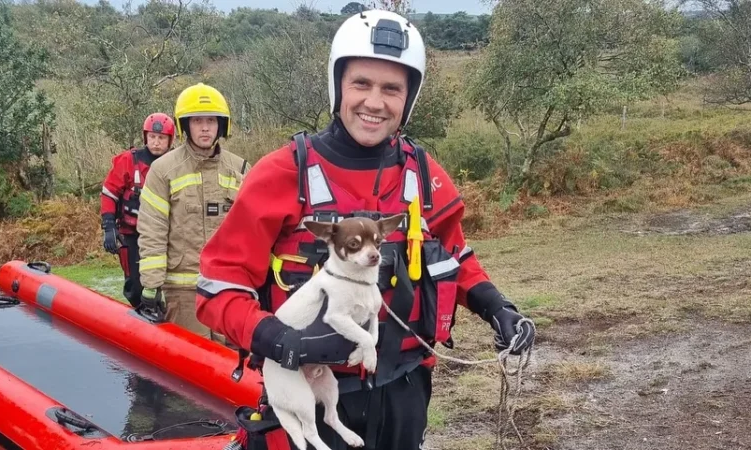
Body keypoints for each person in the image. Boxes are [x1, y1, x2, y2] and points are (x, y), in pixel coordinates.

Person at [196, 10, 536, 450]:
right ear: (338, 85)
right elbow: (217, 287)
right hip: (310, 387)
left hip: (405, 388)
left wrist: (498, 308)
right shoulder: (281, 174)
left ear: (408, 99)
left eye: (391, 89)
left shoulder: (423, 176)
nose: (374, 102)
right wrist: (273, 337)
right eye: (361, 83)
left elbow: (455, 257)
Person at [136, 83, 249, 340]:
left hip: (229, 290)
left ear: (222, 125)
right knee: (191, 358)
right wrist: (151, 284)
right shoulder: (163, 170)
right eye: (197, 120)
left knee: (232, 360)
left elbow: (253, 230)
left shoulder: (240, 169)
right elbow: (153, 229)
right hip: (184, 295)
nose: (205, 127)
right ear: (184, 125)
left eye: (211, 120)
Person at [100, 113, 175, 308]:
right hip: (131, 234)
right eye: (152, 137)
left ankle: (164, 314)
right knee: (135, 287)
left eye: (161, 138)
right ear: (145, 137)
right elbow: (109, 193)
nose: (156, 142)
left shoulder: (177, 164)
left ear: (170, 140)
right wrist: (109, 227)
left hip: (166, 235)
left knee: (169, 284)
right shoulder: (128, 160)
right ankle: (140, 314)